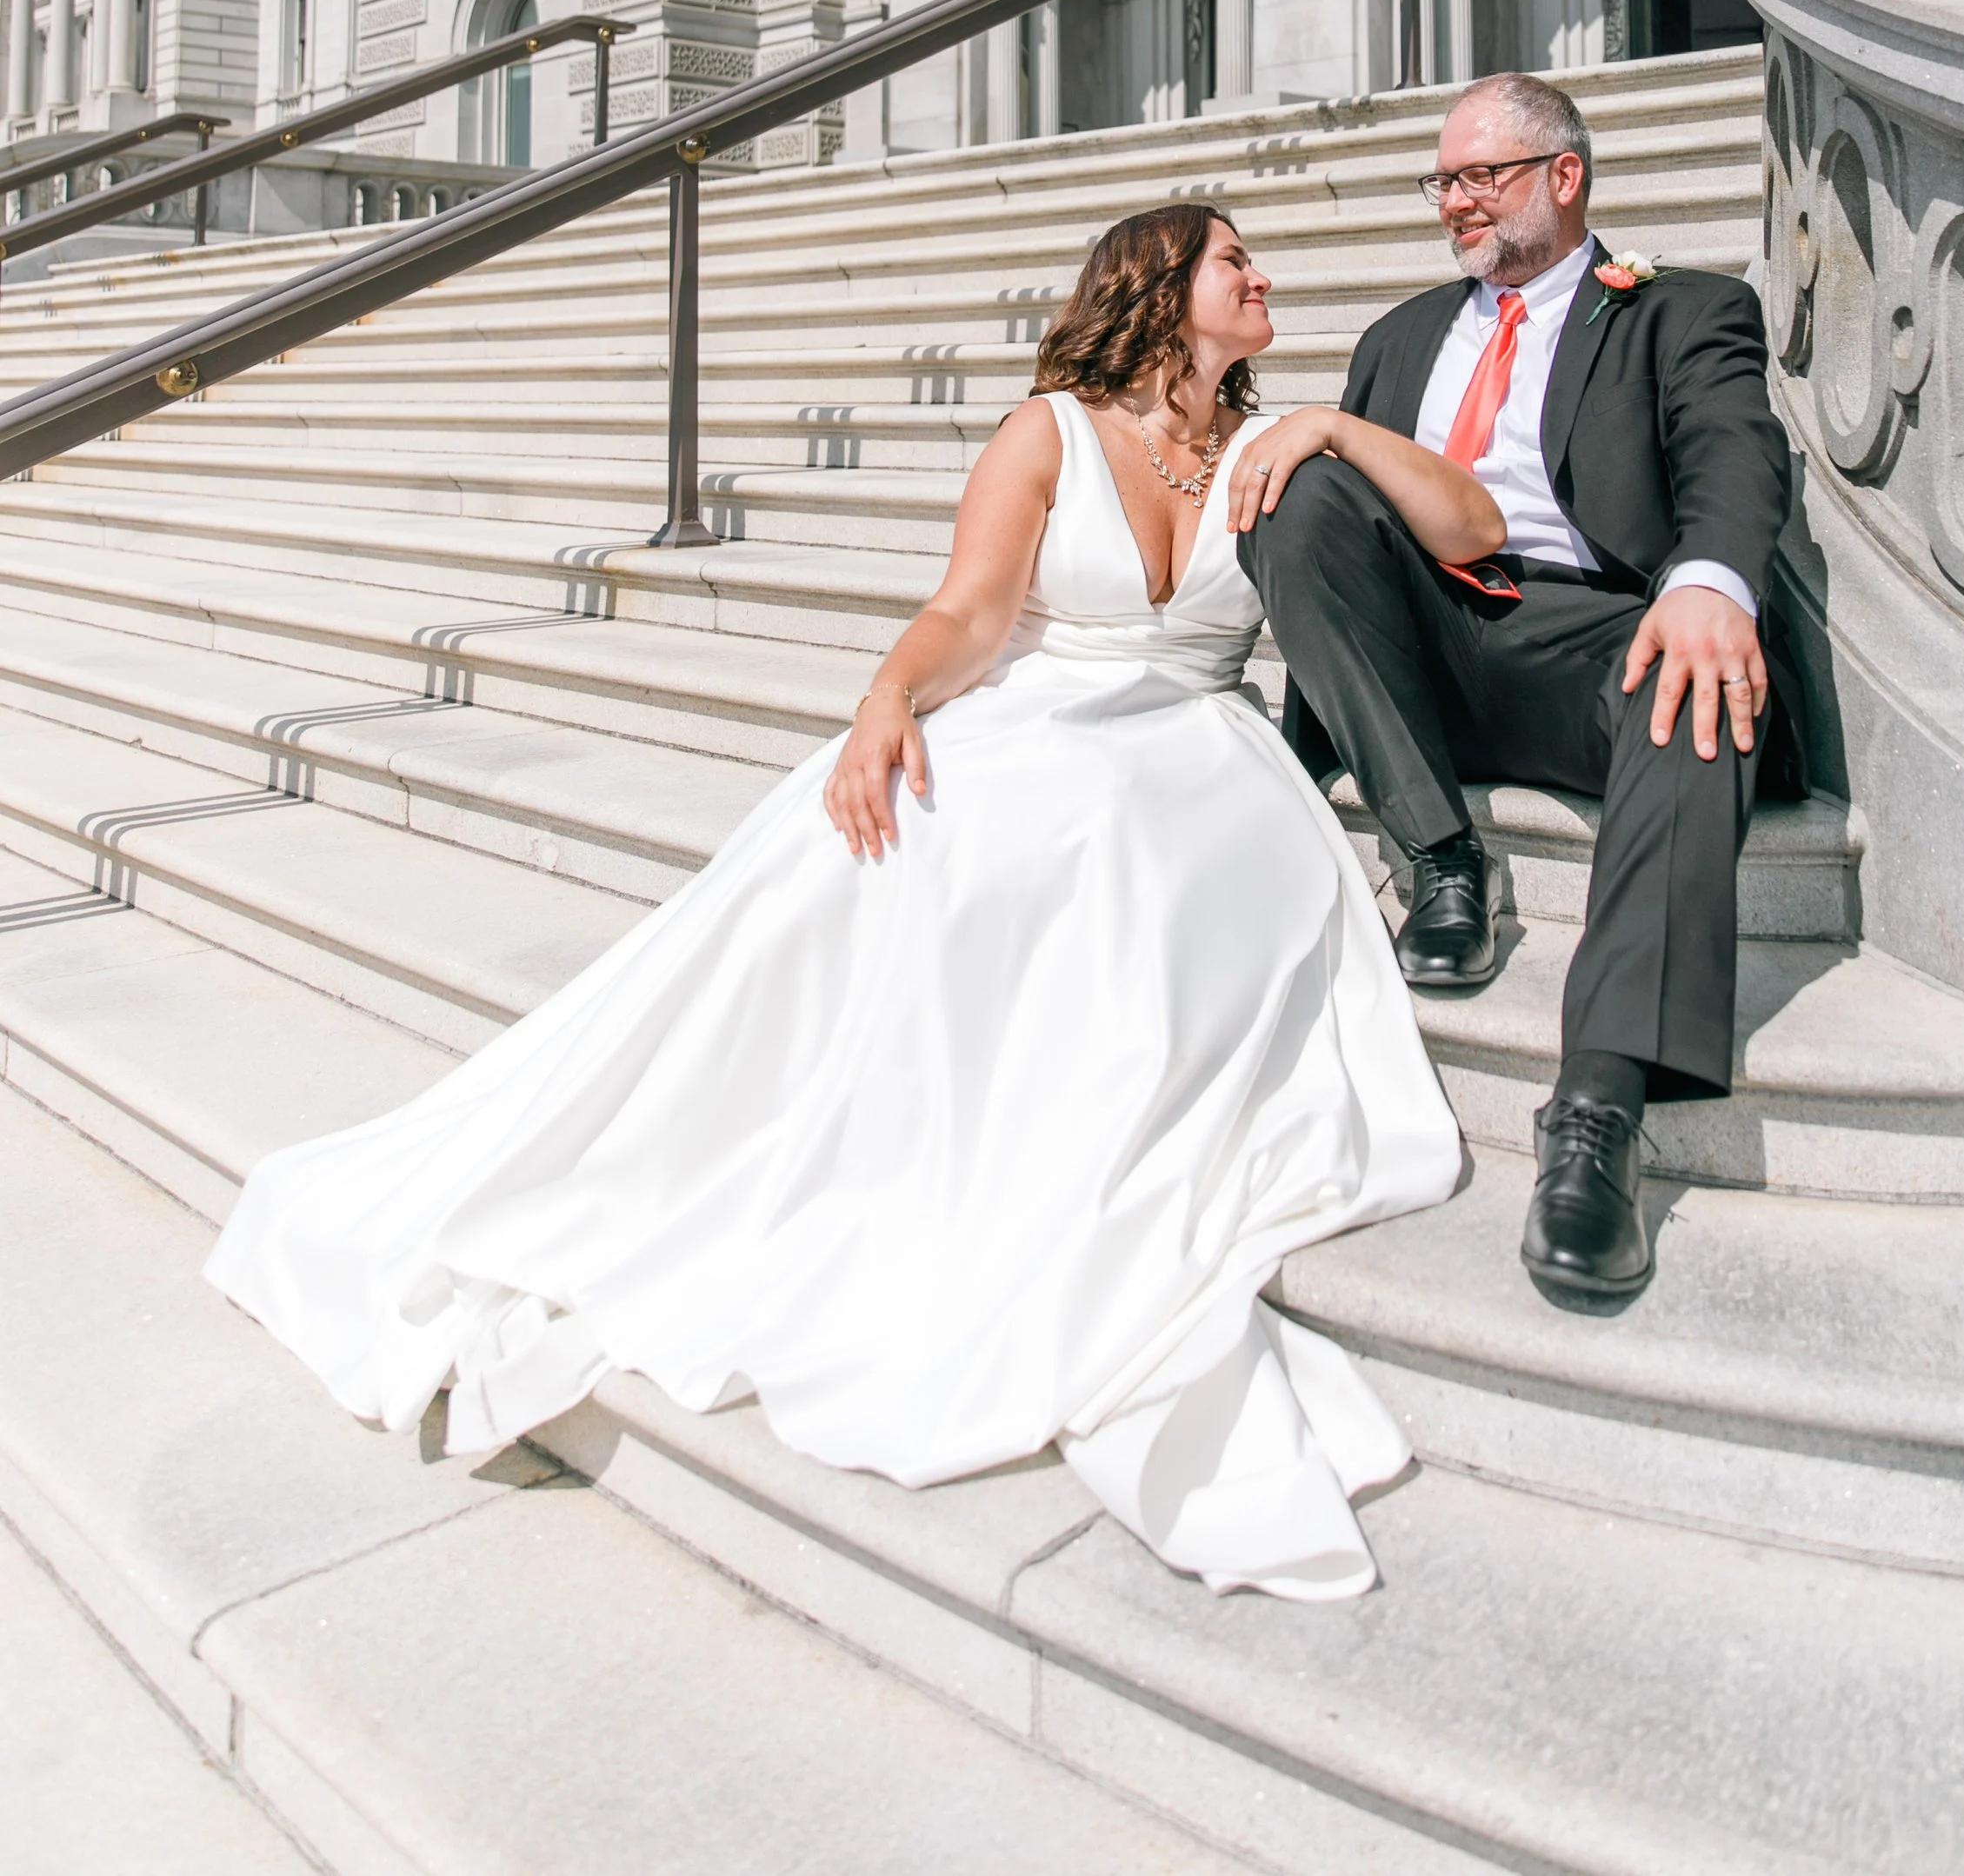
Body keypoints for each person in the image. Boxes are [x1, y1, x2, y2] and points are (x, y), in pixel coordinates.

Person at [206, 206, 1499, 1603]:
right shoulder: (1048, 431)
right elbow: (969, 613)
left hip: (1203, 755)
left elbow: (1471, 525)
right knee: (951, 823)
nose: (1262, 279)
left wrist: (1335, 429)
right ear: (1159, 287)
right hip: (1048, 714)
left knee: (1117, 846)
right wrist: (888, 695)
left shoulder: (1271, 446)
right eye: (1233, 260)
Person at [1235, 75, 1790, 1306]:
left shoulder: (1680, 310)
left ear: (1565, 175)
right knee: (1304, 487)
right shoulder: (1399, 336)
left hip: (1589, 633)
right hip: (1432, 638)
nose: (1456, 202)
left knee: (1690, 679)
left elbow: (1733, 453)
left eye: (1481, 174)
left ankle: (1598, 1106)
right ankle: (1442, 858)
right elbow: (1352, 543)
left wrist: (1708, 583)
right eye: (1442, 180)